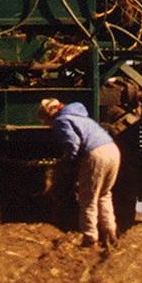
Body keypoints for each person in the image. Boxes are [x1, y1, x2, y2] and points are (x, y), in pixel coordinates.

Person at [38, 97, 120, 248]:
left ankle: (90, 238)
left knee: (87, 197)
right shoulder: (80, 116)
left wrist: (68, 162)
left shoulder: (62, 120)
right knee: (104, 194)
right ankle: (110, 232)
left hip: (96, 154)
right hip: (112, 150)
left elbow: (72, 143)